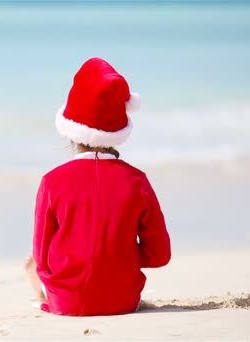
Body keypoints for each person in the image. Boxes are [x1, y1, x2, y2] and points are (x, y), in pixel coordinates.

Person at [25, 57, 171, 316]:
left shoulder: (51, 182)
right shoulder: (137, 181)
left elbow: (42, 256)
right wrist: (119, 253)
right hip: (123, 300)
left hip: (68, 303)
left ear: (70, 131)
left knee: (32, 264)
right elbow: (160, 255)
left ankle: (40, 294)